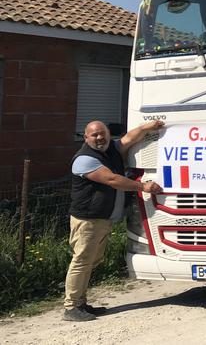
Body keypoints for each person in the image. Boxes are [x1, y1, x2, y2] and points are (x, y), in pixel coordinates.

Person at [64, 120, 164, 322]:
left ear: (109, 134)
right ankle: (71, 307)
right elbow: (112, 180)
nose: (100, 138)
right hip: (88, 221)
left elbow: (128, 138)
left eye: (103, 134)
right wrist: (142, 186)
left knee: (92, 261)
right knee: (82, 261)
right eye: (94, 135)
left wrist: (146, 128)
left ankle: (81, 303)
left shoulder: (111, 149)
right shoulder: (84, 159)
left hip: (102, 219)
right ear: (86, 138)